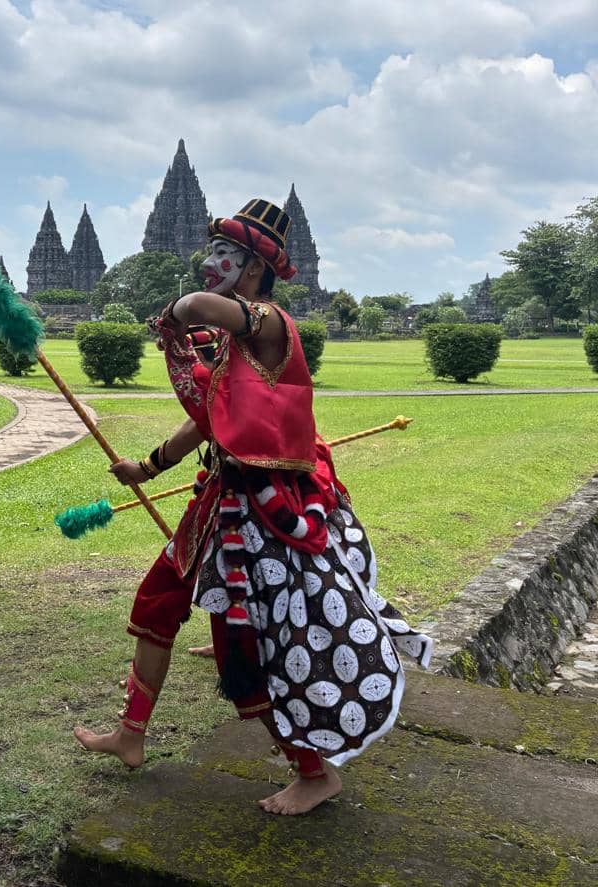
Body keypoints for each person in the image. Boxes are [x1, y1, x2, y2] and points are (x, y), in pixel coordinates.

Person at [75, 199, 432, 815]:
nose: (211, 263)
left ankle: (314, 772)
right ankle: (131, 734)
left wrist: (182, 313)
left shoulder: (270, 328)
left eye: (226, 256)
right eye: (214, 253)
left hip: (261, 522)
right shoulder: (231, 352)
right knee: (157, 599)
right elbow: (210, 420)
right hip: (219, 502)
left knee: (249, 648)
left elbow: (198, 307)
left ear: (252, 272)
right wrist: (148, 465)